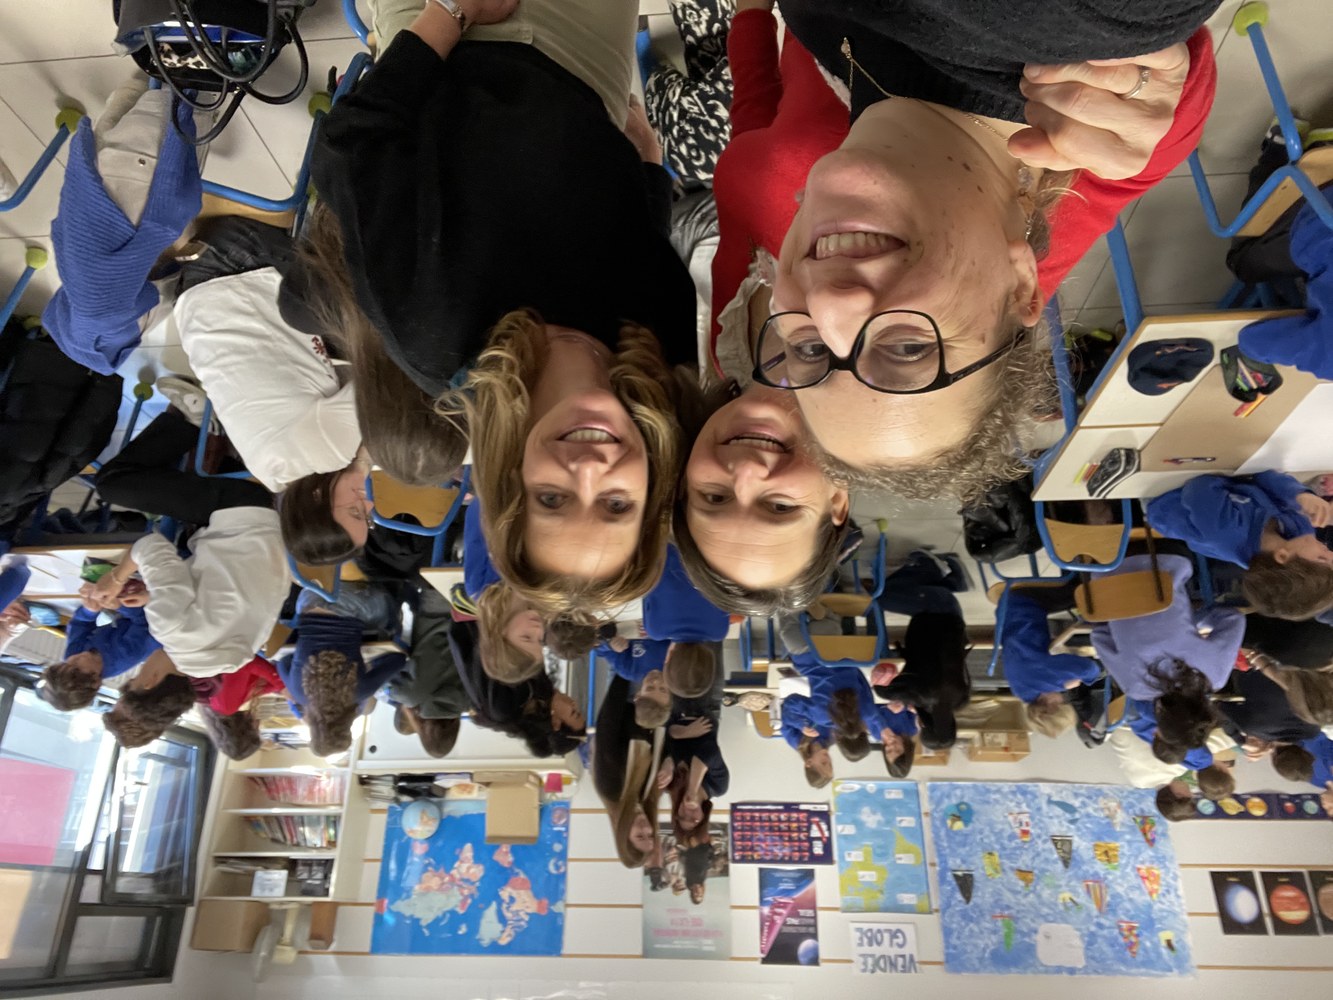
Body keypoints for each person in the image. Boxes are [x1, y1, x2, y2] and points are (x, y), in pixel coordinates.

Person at [740, 0, 1218, 502]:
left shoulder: (848, 61)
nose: (829, 307)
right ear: (1023, 285)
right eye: (908, 349)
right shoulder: (1082, 22)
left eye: (810, 351)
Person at [311, 0, 700, 615]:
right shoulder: (662, 365)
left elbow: (354, 143)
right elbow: (648, 253)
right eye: (616, 504)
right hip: (591, 74)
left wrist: (452, 15)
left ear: (511, 479)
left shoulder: (433, 336)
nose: (589, 469)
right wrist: (649, 170)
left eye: (553, 498)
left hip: (461, 40)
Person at [87, 410, 290, 678]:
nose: (139, 667)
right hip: (241, 511)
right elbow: (149, 546)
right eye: (137, 678)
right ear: (150, 681)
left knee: (164, 504)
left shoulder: (235, 654)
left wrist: (154, 594)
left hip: (273, 532)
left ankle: (215, 437)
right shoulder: (172, 634)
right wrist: (116, 577)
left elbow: (223, 597)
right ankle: (191, 417)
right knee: (112, 484)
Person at [1091, 554, 1244, 754]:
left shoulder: (1213, 677)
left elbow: (1234, 618)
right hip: (1106, 574)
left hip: (1167, 560)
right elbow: (1099, 635)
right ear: (1161, 719)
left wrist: (1192, 623)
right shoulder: (1135, 688)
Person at [1146, 471, 1333, 620]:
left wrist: (1245, 478)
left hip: (1164, 494)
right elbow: (1265, 474)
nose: (1330, 553)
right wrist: (1300, 495)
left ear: (1282, 556)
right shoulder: (1299, 534)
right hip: (1217, 481)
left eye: (1322, 558)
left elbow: (1199, 485)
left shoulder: (1225, 532)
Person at [449, 617, 586, 757]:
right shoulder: (539, 692)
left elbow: (489, 647)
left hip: (474, 620)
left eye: (574, 712)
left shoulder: (504, 709)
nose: (574, 703)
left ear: (556, 723)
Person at [39, 582, 161, 711]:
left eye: (65, 663)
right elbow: (151, 620)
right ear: (95, 681)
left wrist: (89, 611)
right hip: (158, 616)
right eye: (77, 666)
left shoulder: (72, 660)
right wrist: (120, 605)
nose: (73, 658)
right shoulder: (125, 655)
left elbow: (80, 624)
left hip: (128, 615)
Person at [998, 589, 1102, 739]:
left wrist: (1081, 680)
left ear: (1051, 706)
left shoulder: (1048, 682)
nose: (1063, 698)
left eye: (1063, 702)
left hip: (1025, 600)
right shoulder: (1021, 691)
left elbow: (1090, 668)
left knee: (1089, 594)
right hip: (1008, 612)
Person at [386, 589, 470, 758]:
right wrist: (411, 713)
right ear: (423, 733)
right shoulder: (410, 696)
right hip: (433, 610)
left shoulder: (471, 701)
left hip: (468, 611)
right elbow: (387, 679)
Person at [593, 674, 664, 868]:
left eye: (640, 835)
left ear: (624, 834)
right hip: (654, 701)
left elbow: (607, 727)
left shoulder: (611, 789)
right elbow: (659, 745)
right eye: (650, 834)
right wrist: (669, 763)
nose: (646, 828)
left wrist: (623, 675)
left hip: (629, 693)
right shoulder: (645, 796)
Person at [874, 612, 971, 749]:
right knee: (875, 603)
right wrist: (904, 701)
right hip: (925, 617)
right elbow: (880, 689)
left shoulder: (960, 701)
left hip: (955, 622)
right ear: (924, 725)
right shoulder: (922, 697)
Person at [475, 584, 547, 684]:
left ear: (499, 633)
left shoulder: (482, 587)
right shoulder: (535, 602)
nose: (538, 630)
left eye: (526, 637)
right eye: (540, 640)